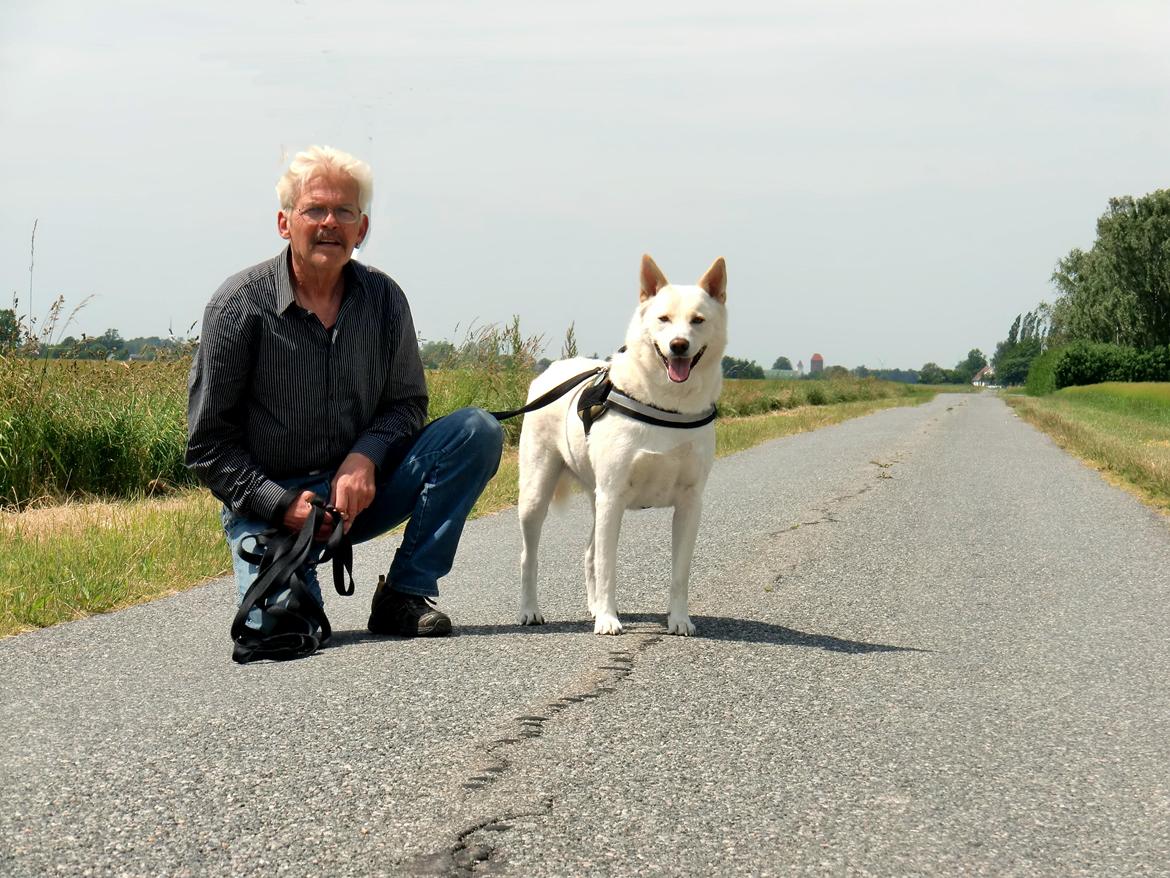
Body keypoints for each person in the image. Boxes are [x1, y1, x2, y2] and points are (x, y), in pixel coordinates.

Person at [187, 145, 503, 641]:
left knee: (475, 431)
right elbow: (209, 447)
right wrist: (281, 504)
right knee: (278, 632)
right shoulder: (237, 306)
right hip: (275, 504)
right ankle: (294, 583)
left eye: (344, 212)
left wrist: (365, 456)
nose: (329, 223)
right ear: (284, 222)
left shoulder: (384, 300)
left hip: (360, 493)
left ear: (363, 229)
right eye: (314, 209)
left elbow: (407, 405)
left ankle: (404, 593)